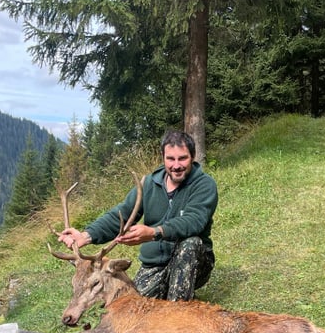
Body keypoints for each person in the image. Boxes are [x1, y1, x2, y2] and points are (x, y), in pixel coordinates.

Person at [59, 129, 218, 301]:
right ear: (163, 158)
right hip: (155, 264)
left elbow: (193, 221)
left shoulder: (204, 185)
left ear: (192, 157)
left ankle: (178, 308)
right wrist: (86, 236)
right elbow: (120, 215)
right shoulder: (148, 184)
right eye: (170, 158)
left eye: (183, 158)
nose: (176, 165)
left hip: (193, 262)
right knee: (133, 306)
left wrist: (153, 232)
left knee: (190, 243)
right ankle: (170, 295)